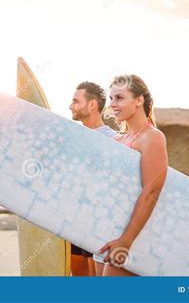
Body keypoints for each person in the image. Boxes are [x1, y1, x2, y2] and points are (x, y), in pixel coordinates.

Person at [97, 74, 168, 276]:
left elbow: (152, 191)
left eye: (119, 98)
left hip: (131, 237)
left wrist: (126, 242)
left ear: (139, 100)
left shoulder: (152, 137)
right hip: (105, 233)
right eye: (111, 99)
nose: (112, 104)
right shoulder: (118, 139)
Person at [69, 81, 117, 276]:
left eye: (75, 101)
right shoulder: (73, 138)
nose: (70, 106)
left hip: (97, 224)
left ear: (92, 105)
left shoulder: (113, 140)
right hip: (72, 222)